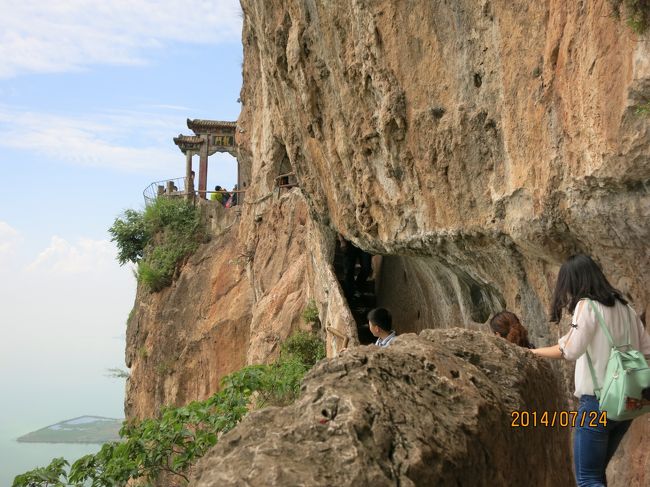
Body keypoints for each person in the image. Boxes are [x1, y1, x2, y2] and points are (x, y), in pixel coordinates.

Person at [532, 254, 650, 487]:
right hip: (626, 404)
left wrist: (533, 353)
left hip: (597, 402)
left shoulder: (587, 306)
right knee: (596, 474)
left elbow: (570, 350)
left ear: (574, 282)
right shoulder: (626, 308)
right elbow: (646, 350)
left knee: (587, 478)